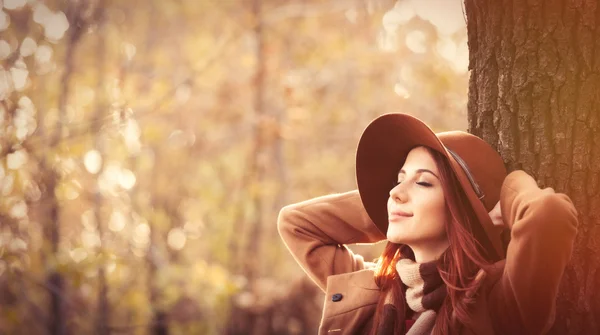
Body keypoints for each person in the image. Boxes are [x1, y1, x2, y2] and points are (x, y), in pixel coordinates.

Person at [277, 113, 578, 334]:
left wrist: (504, 196)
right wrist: (388, 206)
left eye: (423, 182)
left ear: (460, 209)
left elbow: (549, 215)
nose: (394, 192)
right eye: (398, 180)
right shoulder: (373, 290)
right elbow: (296, 223)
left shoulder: (498, 297)